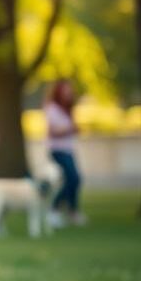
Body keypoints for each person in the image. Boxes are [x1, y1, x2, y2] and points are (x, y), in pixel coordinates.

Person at [44, 79, 86, 226]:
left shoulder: (68, 109)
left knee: (75, 180)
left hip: (68, 149)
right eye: (65, 90)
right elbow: (52, 132)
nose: (68, 93)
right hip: (57, 150)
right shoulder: (52, 108)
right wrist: (70, 129)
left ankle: (72, 210)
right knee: (71, 179)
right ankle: (54, 209)